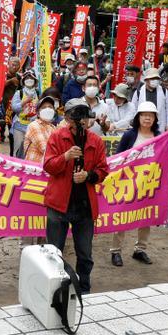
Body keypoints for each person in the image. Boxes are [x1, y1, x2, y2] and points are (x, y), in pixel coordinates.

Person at [43, 98, 110, 294]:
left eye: (83, 118)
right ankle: (53, 288)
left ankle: (84, 287)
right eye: (75, 118)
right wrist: (65, 157)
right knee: (54, 251)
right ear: (67, 119)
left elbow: (103, 170)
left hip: (84, 205)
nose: (79, 122)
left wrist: (88, 176)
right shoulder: (57, 137)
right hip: (58, 203)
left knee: (84, 252)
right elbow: (48, 166)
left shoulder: (96, 141)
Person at [110, 101, 160, 266]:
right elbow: (119, 156)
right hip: (128, 182)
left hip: (148, 184)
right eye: (144, 115)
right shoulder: (130, 135)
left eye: (150, 116)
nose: (147, 119)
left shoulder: (159, 136)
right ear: (138, 117)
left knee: (146, 217)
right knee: (122, 215)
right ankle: (116, 251)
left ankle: (140, 249)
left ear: (155, 118)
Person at [131, 66, 168, 135]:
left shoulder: (164, 91)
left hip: (160, 125)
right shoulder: (139, 92)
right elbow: (133, 109)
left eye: (156, 78)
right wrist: (135, 125)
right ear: (146, 80)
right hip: (143, 126)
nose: (154, 80)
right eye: (152, 78)